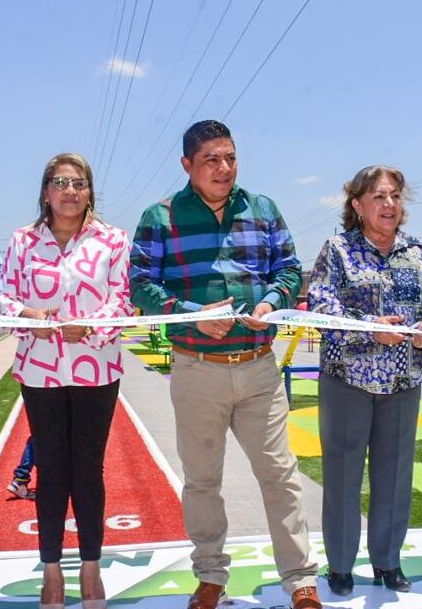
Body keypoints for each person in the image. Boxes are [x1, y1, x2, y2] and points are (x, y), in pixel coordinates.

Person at [129, 120, 321, 609]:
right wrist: (191, 316)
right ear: (187, 165)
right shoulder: (161, 216)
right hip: (197, 369)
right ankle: (210, 575)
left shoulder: (263, 209)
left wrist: (272, 301)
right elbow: (141, 285)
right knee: (202, 480)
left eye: (230, 157)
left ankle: (300, 580)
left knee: (280, 475)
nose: (223, 168)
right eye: (211, 159)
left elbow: (290, 268)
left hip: (258, 367)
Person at [0, 152, 133, 609]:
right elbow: (4, 299)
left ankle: (91, 569)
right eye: (60, 182)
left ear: (90, 191)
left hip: (96, 370)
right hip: (41, 370)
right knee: (52, 470)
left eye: (79, 183)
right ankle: (52, 571)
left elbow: (122, 299)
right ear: (46, 191)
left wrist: (91, 326)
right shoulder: (22, 241)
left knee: (88, 470)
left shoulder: (112, 240)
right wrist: (31, 316)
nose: (70, 191)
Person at [306, 165, 422, 597]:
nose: (390, 205)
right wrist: (370, 326)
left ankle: (388, 562)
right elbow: (321, 306)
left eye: (396, 197)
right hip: (348, 379)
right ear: (357, 205)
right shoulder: (338, 250)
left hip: (404, 381)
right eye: (380, 197)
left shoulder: (417, 252)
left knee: (396, 475)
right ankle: (342, 566)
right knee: (344, 475)